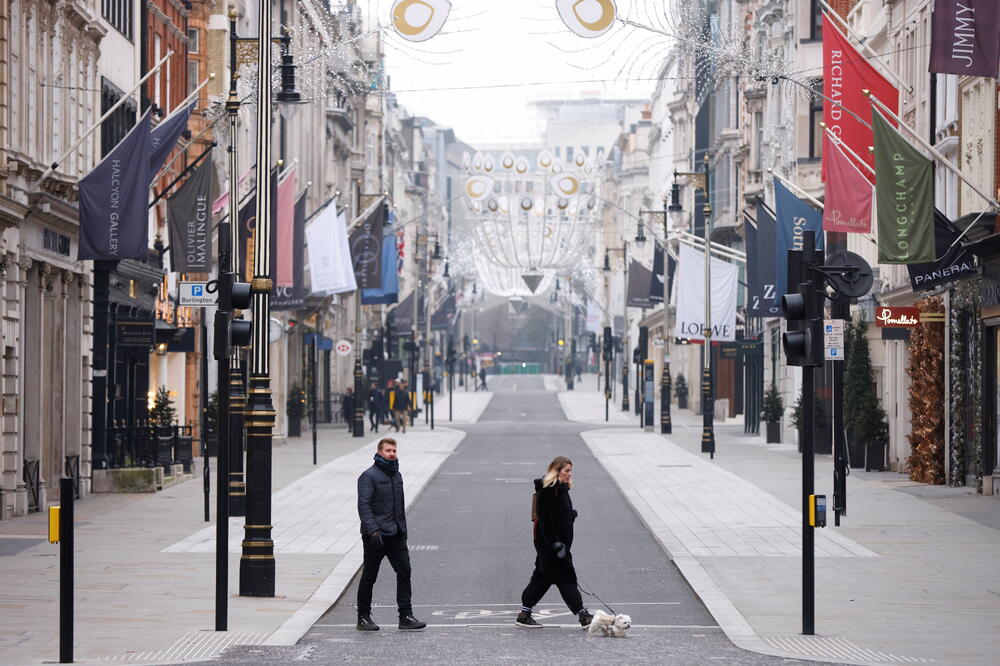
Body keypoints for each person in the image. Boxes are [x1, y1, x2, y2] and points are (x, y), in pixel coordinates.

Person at [356, 437, 426, 631]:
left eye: (394, 451)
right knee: (369, 576)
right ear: (379, 452)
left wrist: (403, 531)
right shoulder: (368, 476)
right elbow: (364, 506)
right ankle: (363, 617)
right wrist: (373, 530)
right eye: (388, 451)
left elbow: (399, 507)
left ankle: (406, 616)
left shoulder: (397, 475)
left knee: (404, 572)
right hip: (376, 536)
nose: (392, 454)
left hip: (396, 534)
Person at [515, 456, 593, 629]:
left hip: (555, 545)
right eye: (566, 471)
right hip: (551, 546)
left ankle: (524, 614)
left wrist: (570, 515)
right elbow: (545, 521)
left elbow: (557, 515)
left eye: (571, 471)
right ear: (556, 471)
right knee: (567, 578)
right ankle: (583, 616)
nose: (570, 474)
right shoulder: (549, 490)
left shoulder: (561, 489)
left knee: (541, 579)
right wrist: (555, 544)